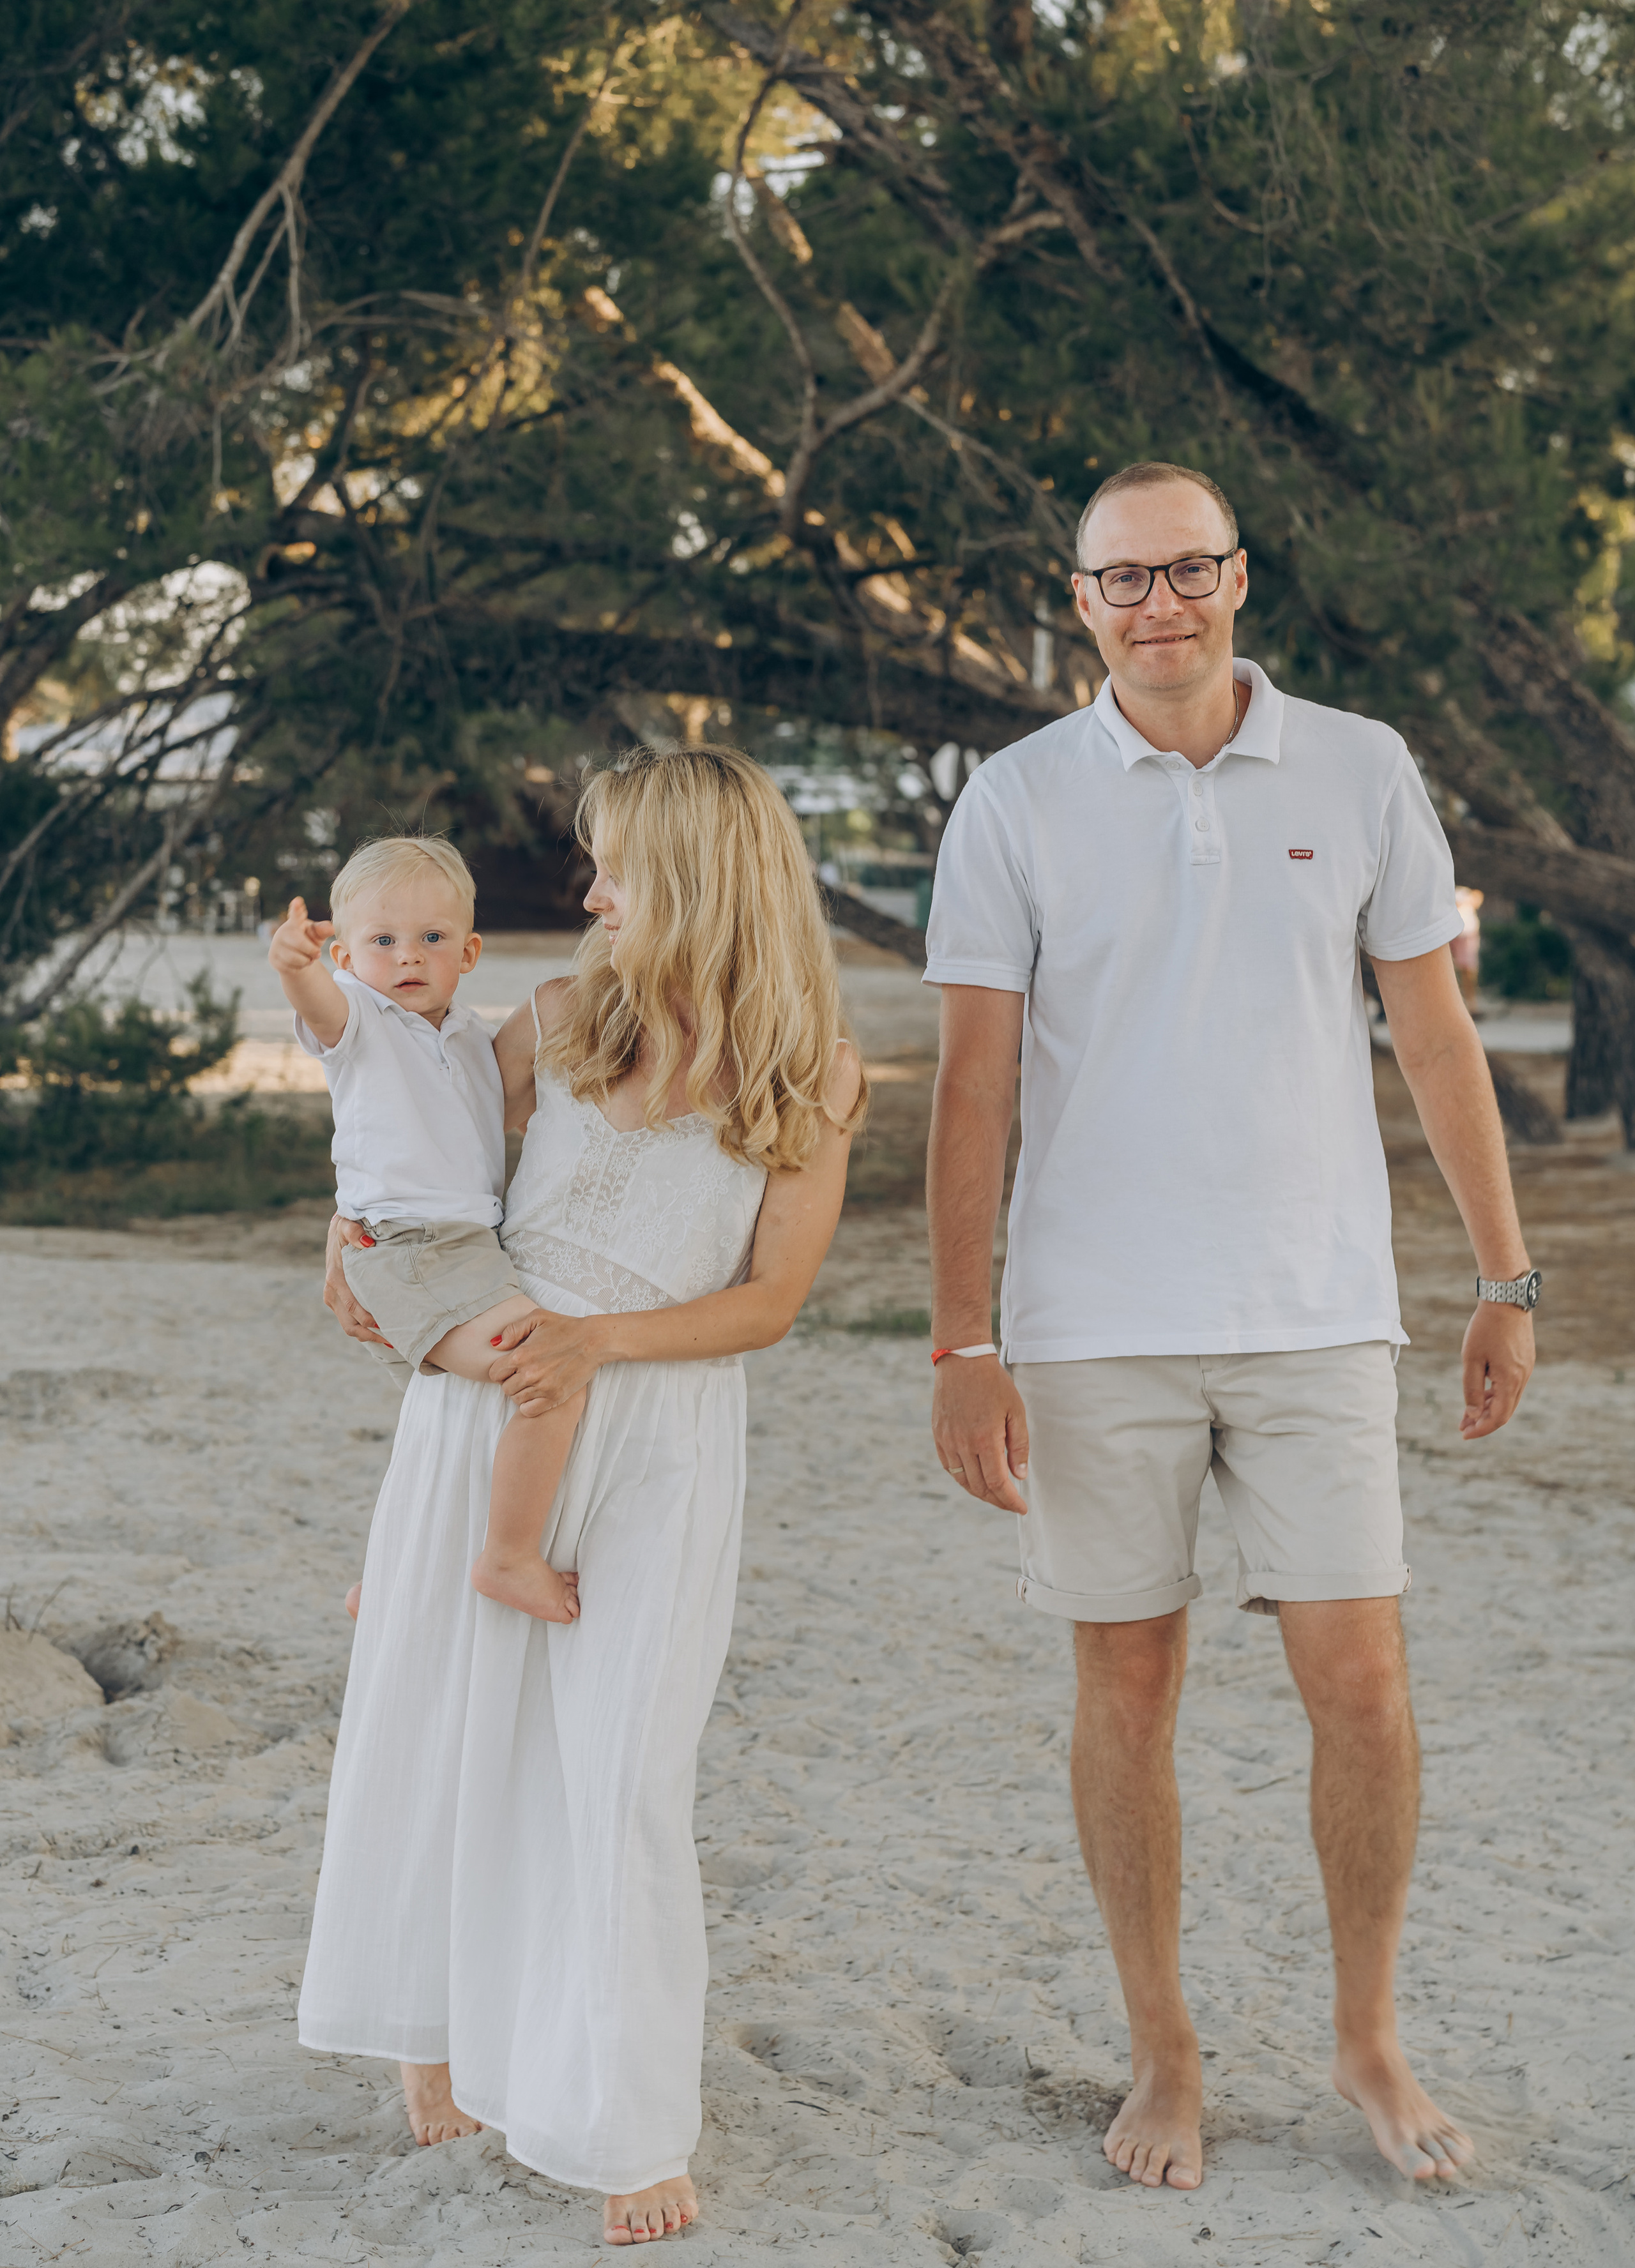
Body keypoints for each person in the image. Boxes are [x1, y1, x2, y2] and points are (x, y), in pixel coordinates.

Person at [925, 461, 1538, 2196]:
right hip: (1089, 1321)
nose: (1160, 604)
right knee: (1127, 1683)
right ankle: (1166, 2048)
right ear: (1081, 599)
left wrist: (1503, 1280)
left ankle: (1366, 2037)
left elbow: (1432, 1033)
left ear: (1241, 576)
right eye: (1124, 580)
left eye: (1188, 569)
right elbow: (973, 1093)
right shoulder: (1020, 798)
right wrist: (961, 1343)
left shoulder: (1360, 767)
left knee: (1360, 1682)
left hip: (1316, 1309)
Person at [298, 745, 865, 2246]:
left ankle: (623, 2114)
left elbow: (766, 1303)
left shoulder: (809, 1067)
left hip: (659, 1429)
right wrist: (341, 1236)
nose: (591, 889)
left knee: (615, 1773)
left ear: (690, 875)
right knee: (441, 1722)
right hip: (481, 1415)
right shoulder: (547, 1021)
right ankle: (427, 2027)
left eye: (611, 863)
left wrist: (597, 1343)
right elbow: (416, 1162)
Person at [268, 839, 581, 1624]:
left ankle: (390, 1581)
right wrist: (296, 967)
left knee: (454, 1432)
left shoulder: (472, 1037)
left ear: (469, 951)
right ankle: (508, 1559)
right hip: (411, 1252)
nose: (408, 957)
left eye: (432, 939)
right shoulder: (361, 1019)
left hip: (466, 1252)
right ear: (346, 954)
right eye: (382, 941)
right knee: (545, 1374)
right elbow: (321, 1007)